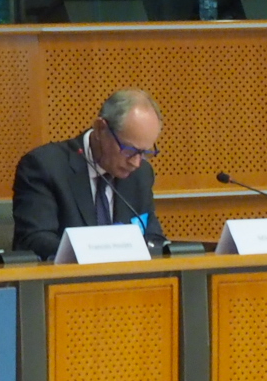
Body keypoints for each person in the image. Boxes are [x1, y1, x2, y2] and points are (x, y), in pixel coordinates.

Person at [12, 89, 165, 258]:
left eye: (144, 153)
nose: (136, 162)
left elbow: (153, 237)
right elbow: (34, 240)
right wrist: (98, 254)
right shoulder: (45, 166)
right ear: (100, 129)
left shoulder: (141, 175)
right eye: (129, 150)